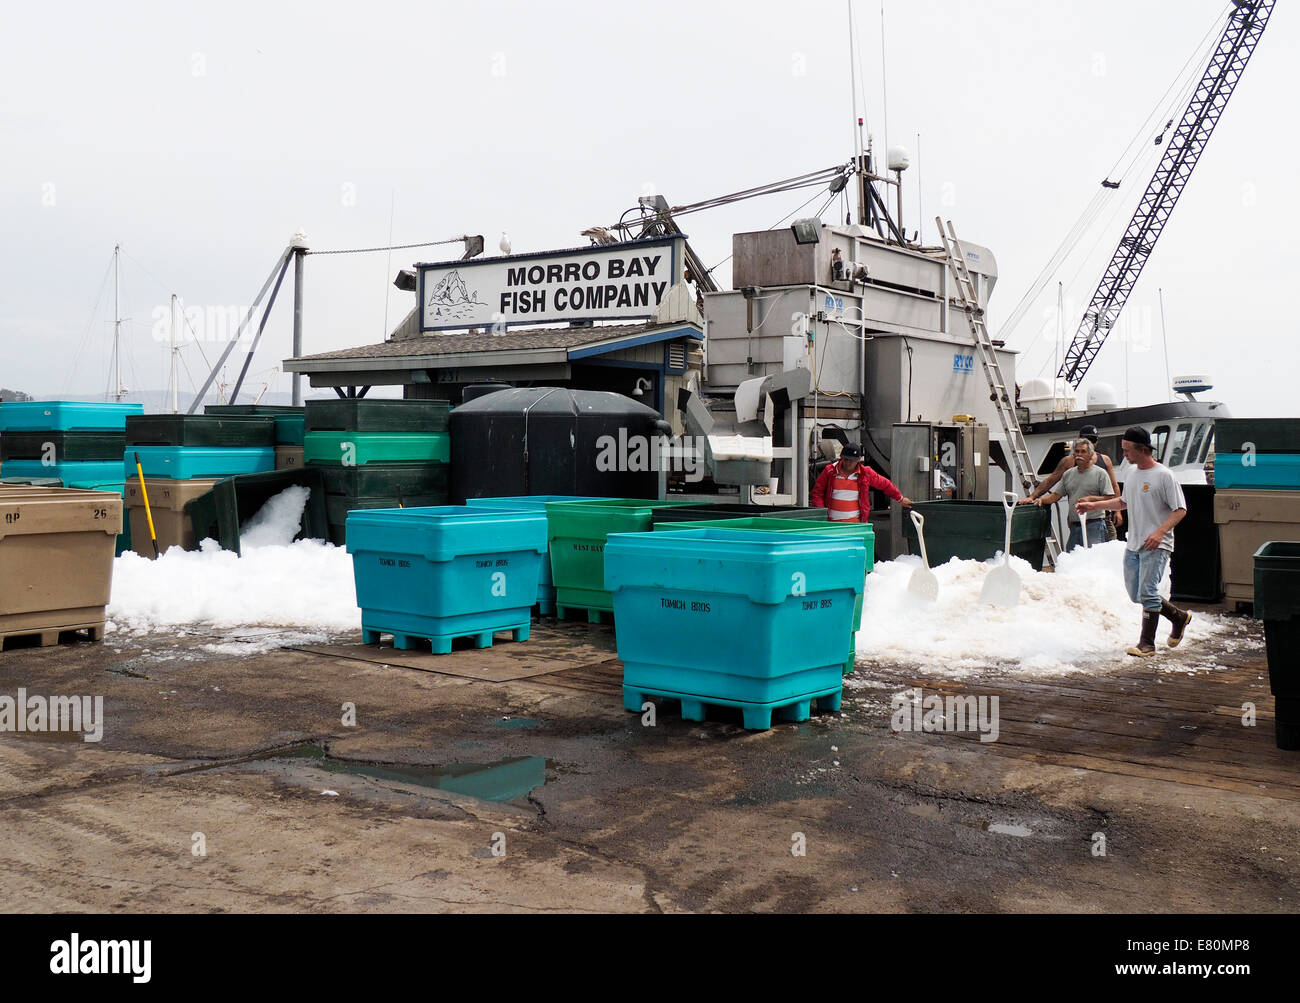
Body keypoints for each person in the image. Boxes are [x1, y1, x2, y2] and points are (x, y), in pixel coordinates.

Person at [1076, 427, 1192, 657]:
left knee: (1148, 591)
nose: (1124, 455)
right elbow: (1123, 502)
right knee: (1136, 594)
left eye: (1127, 450)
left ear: (1141, 449)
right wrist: (1093, 506)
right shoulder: (1131, 473)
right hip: (1134, 543)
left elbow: (1180, 510)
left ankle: (1147, 644)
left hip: (1156, 544)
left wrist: (1160, 532)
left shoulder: (1164, 475)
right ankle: (1179, 617)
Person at [1022, 424, 1124, 540]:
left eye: (1092, 439)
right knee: (1076, 551)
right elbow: (1051, 480)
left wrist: (1118, 511)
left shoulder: (1105, 460)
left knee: (1109, 549)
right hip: (1078, 518)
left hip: (1102, 518)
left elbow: (1114, 487)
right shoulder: (1069, 462)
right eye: (1086, 439)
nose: (1089, 442)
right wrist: (1033, 497)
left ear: (1096, 442)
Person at [1030, 439, 1115, 550]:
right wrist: (1040, 500)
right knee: (1072, 559)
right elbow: (1056, 495)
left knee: (1094, 561)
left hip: (1094, 524)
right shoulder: (1068, 474)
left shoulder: (1100, 473)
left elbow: (1109, 497)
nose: (1079, 454)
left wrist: (1090, 499)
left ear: (1090, 454)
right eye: (1077, 451)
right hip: (1074, 526)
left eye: (1083, 451)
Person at [811, 443, 913, 523]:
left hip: (856, 525)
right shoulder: (830, 470)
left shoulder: (866, 473)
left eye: (852, 460)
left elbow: (885, 484)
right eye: (846, 459)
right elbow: (817, 492)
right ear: (841, 457)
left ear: (859, 460)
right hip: (831, 524)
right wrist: (821, 514)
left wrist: (900, 498)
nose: (848, 463)